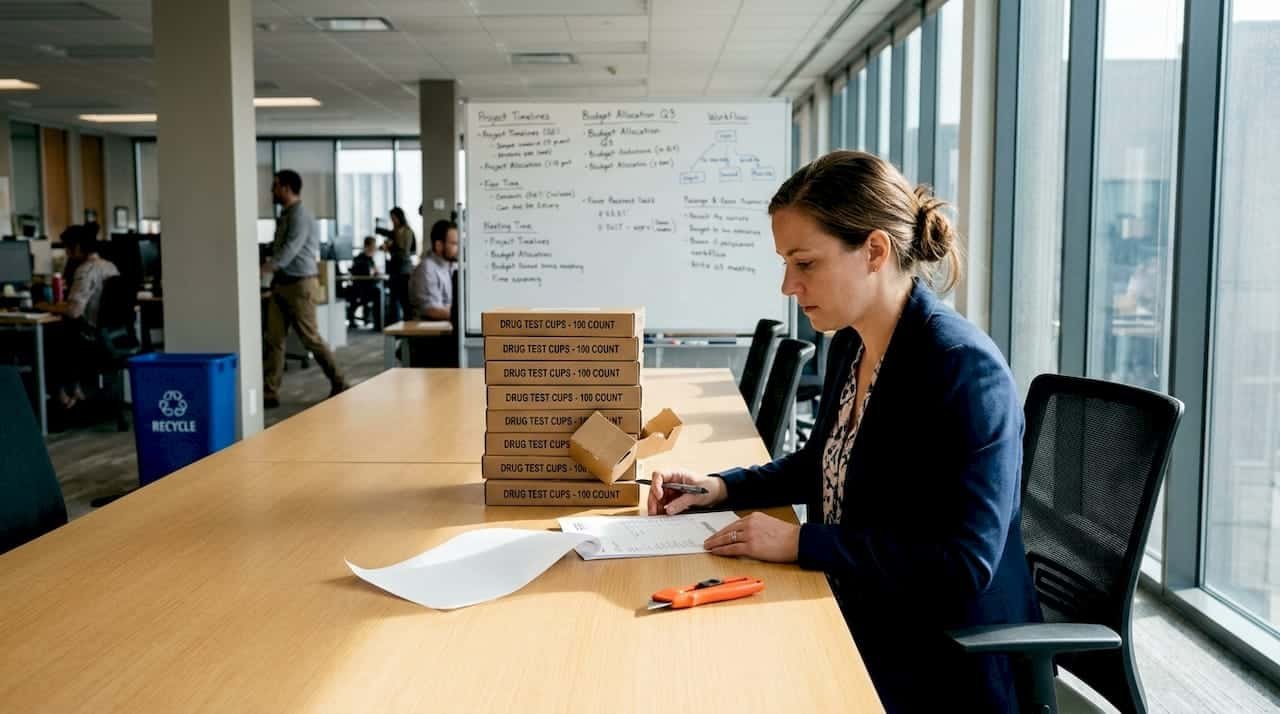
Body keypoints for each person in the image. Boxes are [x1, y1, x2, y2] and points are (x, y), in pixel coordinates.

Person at [646, 151, 1039, 712]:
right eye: (785, 262)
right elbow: (822, 463)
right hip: (863, 604)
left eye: (804, 263)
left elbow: (963, 565)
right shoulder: (853, 344)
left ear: (875, 250)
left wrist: (800, 541)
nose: (787, 285)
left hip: (940, 654)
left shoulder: (962, 370)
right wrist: (721, 488)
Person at [261, 169, 348, 409]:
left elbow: (291, 248)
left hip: (300, 285)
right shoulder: (286, 214)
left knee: (310, 339)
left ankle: (340, 381)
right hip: (282, 284)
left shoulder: (300, 215)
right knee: (274, 339)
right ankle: (270, 391)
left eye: (275, 186)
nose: (272, 191)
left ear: (286, 188)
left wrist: (265, 268)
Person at [35, 225, 120, 409]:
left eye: (68, 247)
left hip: (90, 338)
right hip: (112, 335)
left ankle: (62, 397)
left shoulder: (85, 270)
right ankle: (75, 389)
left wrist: (46, 306)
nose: (66, 252)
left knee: (44, 341)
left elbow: (74, 312)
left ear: (78, 247)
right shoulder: (110, 266)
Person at [409, 219, 458, 321]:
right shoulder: (426, 269)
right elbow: (433, 310)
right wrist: (466, 315)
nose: (458, 248)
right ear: (439, 245)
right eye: (454, 244)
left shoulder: (452, 266)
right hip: (429, 331)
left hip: (448, 326)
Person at [376, 207, 416, 323]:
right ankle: (396, 326)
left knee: (403, 300)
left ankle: (407, 326)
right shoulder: (396, 232)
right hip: (396, 269)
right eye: (391, 218)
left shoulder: (406, 231)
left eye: (394, 218)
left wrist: (389, 247)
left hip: (403, 270)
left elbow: (405, 251)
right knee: (394, 299)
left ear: (399, 217)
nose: (393, 221)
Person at [347, 236, 381, 327]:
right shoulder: (359, 259)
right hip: (360, 287)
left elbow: (374, 272)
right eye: (373, 246)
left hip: (368, 286)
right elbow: (364, 272)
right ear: (367, 246)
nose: (374, 248)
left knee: (378, 291)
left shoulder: (370, 259)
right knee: (377, 293)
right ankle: (375, 321)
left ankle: (375, 320)